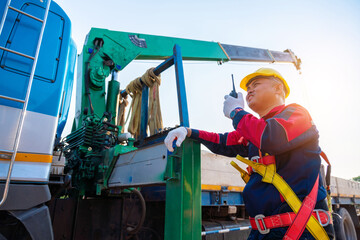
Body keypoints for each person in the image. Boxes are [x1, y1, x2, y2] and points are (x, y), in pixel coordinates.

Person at [164, 68, 335, 240]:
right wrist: (189, 132)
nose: (249, 91)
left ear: (278, 89)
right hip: (263, 232)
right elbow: (223, 142)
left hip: (301, 229)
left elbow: (272, 137)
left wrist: (236, 112)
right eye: (247, 89)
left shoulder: (297, 114)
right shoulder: (256, 129)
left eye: (256, 84)